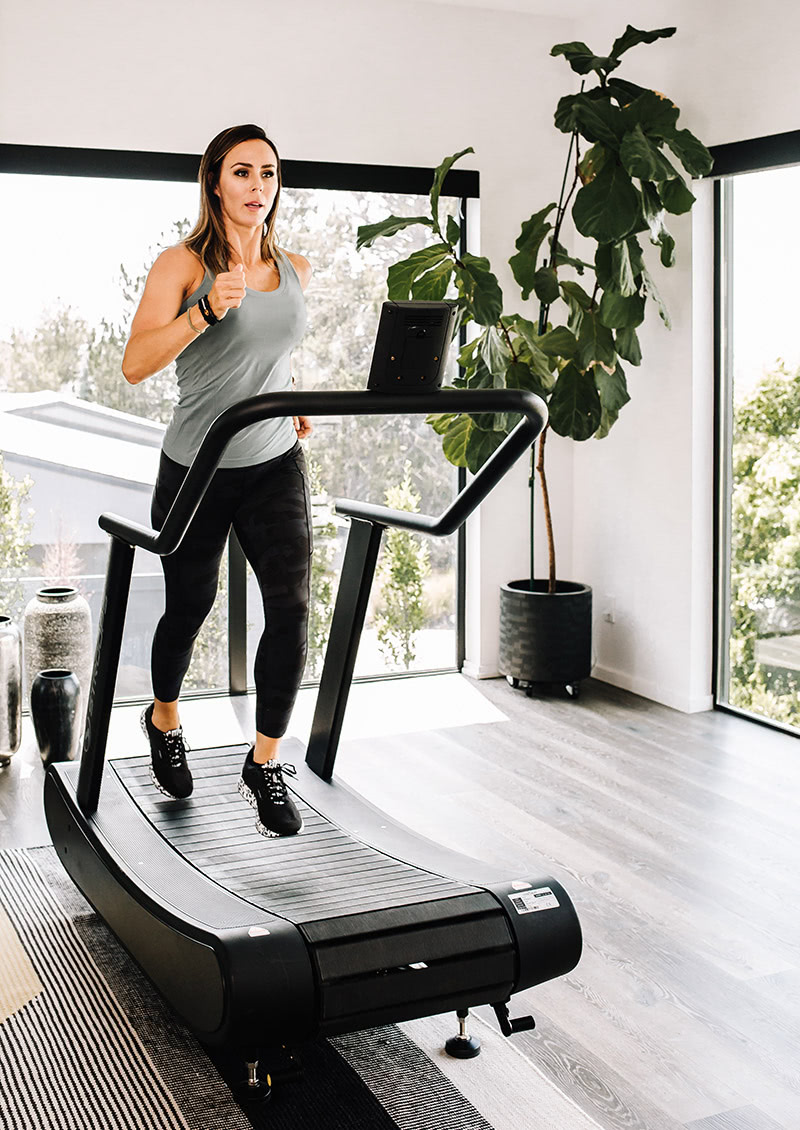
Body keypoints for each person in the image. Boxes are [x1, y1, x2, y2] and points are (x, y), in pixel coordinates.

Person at [122, 124, 313, 838]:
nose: (257, 185)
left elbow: (273, 356)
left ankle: (264, 763)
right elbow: (135, 364)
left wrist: (293, 401)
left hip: (271, 463)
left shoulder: (294, 266)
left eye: (267, 172)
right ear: (214, 182)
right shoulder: (180, 264)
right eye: (241, 172)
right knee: (189, 609)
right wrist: (204, 310)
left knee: (290, 611)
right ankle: (164, 717)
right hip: (197, 465)